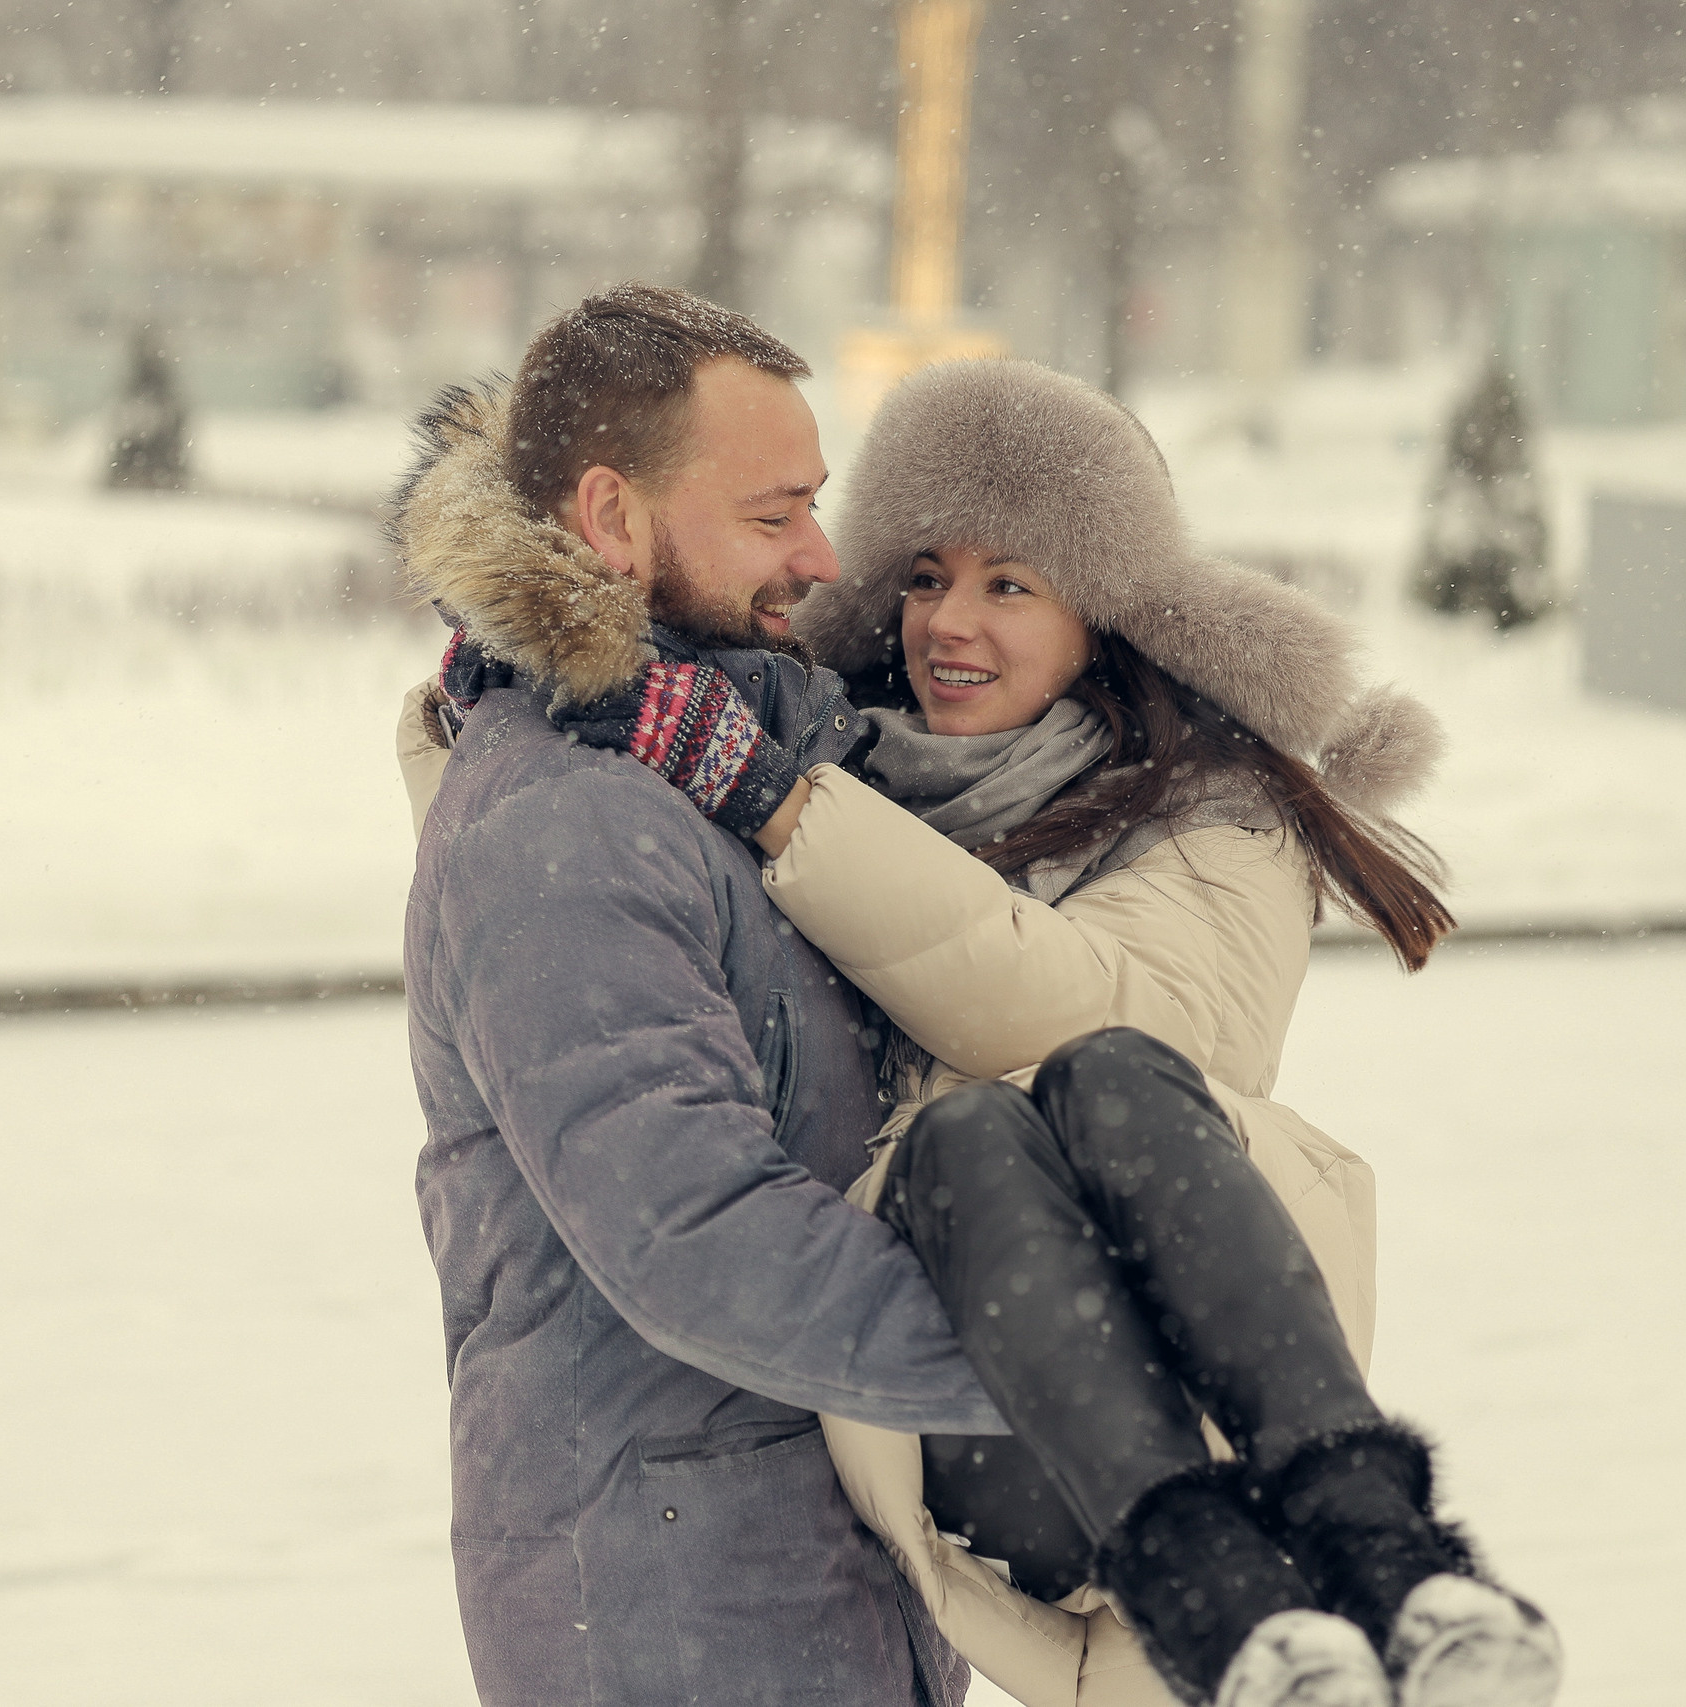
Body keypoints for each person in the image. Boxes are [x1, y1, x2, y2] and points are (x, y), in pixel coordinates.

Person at [437, 360, 1564, 1707]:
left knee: (1101, 1077)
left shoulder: (1215, 817)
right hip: (968, 1422)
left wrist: (786, 804)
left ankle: (1394, 1561)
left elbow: (1098, 1008)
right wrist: (513, 671)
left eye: (1011, 582)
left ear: (1109, 612)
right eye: (921, 574)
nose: (946, 622)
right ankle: (1242, 1610)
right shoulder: (863, 757)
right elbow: (558, 869)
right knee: (969, 1133)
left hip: (1182, 1373)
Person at [391, 284, 1012, 1707]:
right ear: (611, 518)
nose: (822, 551)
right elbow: (698, 1233)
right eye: (773, 511)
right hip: (672, 1593)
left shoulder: (724, 769)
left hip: (791, 1562)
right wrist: (1065, 1375)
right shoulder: (567, 822)